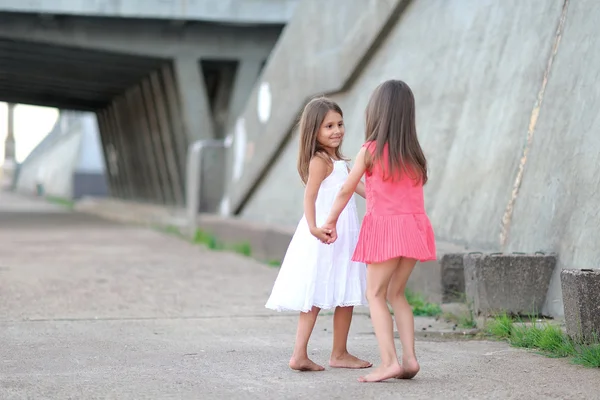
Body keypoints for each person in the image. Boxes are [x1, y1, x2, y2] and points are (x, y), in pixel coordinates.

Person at [321, 80, 436, 382]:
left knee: (375, 294)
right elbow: (380, 192)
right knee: (398, 294)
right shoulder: (414, 155)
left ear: (377, 113)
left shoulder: (369, 150)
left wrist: (330, 220)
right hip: (413, 228)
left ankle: (389, 362)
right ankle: (409, 360)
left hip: (385, 230)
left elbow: (346, 190)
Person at [265, 97, 371, 372]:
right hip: (324, 234)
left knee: (346, 292)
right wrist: (313, 227)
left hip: (345, 234)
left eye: (339, 124)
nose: (337, 130)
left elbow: (359, 188)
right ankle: (299, 354)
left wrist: (386, 199)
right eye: (329, 126)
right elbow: (309, 197)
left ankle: (339, 353)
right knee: (315, 294)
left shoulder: (339, 161)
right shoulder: (319, 161)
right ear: (314, 131)